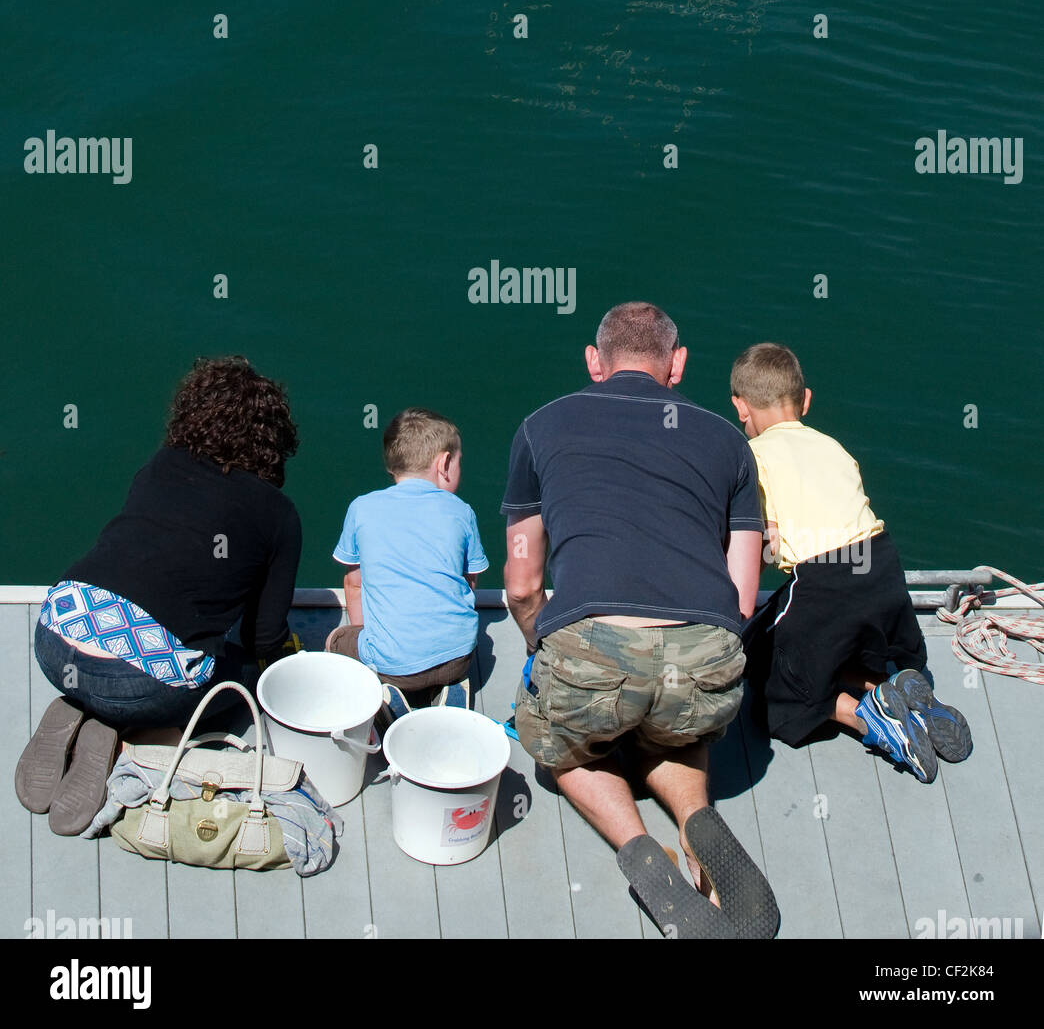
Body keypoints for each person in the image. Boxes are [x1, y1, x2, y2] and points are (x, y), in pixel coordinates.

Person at [502, 302, 779, 940]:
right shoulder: (729, 441)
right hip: (701, 658)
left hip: (592, 652)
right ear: (676, 365)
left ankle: (640, 851)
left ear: (594, 363)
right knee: (674, 730)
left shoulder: (541, 428)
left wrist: (544, 649)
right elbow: (741, 604)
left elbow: (521, 583)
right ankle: (697, 821)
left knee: (558, 745)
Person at [17, 355, 303, 835]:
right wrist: (273, 667)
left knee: (136, 642)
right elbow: (266, 636)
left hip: (55, 633)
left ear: (193, 412)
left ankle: (82, 700)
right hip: (137, 685)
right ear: (273, 441)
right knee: (249, 674)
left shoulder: (158, 466)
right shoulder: (279, 514)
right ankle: (123, 725)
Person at [730, 342, 972, 782]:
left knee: (762, 667)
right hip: (881, 567)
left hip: (826, 585)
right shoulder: (835, 448)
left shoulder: (754, 458)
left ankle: (870, 716)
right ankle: (890, 684)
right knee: (830, 636)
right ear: (806, 400)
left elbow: (766, 545)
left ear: (740, 408)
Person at [325, 408, 488, 710]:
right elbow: (469, 583)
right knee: (447, 649)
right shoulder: (462, 510)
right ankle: (450, 689)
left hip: (393, 666)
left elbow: (355, 584)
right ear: (445, 463)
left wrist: (367, 635)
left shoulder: (362, 508)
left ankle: (388, 696)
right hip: (459, 657)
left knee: (336, 639)